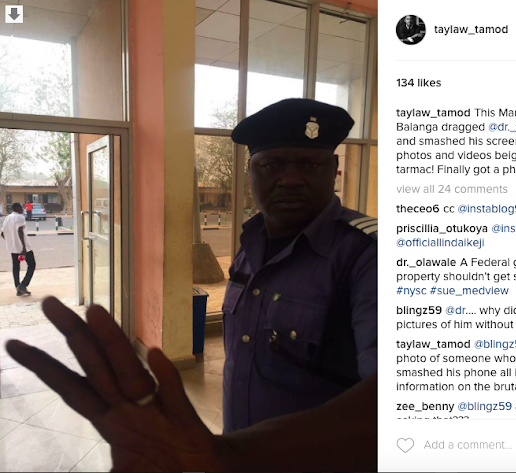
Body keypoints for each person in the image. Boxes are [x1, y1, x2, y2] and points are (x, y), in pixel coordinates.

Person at [5, 99, 377, 472]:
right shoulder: (252, 246)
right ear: (251, 173)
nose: (291, 179)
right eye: (272, 164)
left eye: (310, 164)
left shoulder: (370, 257)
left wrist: (233, 453)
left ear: (334, 170)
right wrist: (222, 455)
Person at [1, 203, 36, 296]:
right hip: (24, 248)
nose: (22, 208)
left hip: (13, 248)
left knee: (16, 267)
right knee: (32, 265)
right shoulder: (20, 217)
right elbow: (20, 231)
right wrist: (23, 247)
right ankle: (23, 285)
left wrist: (11, 241)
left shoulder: (7, 218)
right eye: (21, 207)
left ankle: (18, 288)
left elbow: (2, 233)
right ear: (17, 208)